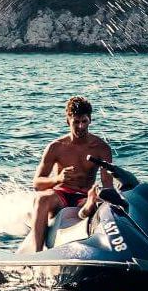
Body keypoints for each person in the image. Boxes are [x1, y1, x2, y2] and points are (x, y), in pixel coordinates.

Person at [24, 96, 114, 253]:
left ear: (90, 120)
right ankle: (38, 253)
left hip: (85, 196)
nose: (80, 126)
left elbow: (108, 186)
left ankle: (89, 205)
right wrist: (58, 179)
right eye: (76, 122)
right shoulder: (56, 147)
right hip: (62, 195)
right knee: (41, 199)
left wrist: (104, 198)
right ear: (68, 121)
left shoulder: (101, 148)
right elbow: (37, 184)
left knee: (100, 201)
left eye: (84, 121)